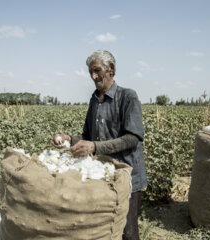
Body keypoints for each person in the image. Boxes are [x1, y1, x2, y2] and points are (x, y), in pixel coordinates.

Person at [52, 49, 147, 240]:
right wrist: (69, 138)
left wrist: (95, 147)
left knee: (128, 233)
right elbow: (87, 136)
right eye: (91, 73)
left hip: (127, 177)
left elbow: (132, 138)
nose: (94, 77)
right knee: (104, 230)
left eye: (97, 71)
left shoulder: (127, 97)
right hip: (101, 175)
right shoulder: (95, 100)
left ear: (110, 69)